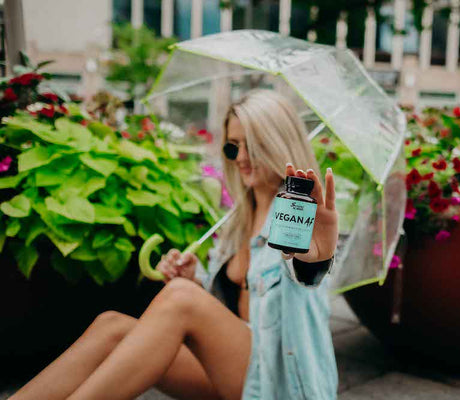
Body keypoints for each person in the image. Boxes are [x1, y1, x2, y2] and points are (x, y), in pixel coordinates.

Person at [11, 90, 339, 400]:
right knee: (111, 325)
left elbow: (305, 274)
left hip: (277, 382)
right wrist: (195, 280)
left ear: (275, 142)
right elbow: (226, 318)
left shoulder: (297, 218)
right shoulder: (237, 220)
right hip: (236, 372)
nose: (239, 157)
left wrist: (313, 261)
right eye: (231, 146)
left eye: (249, 144)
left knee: (182, 299)